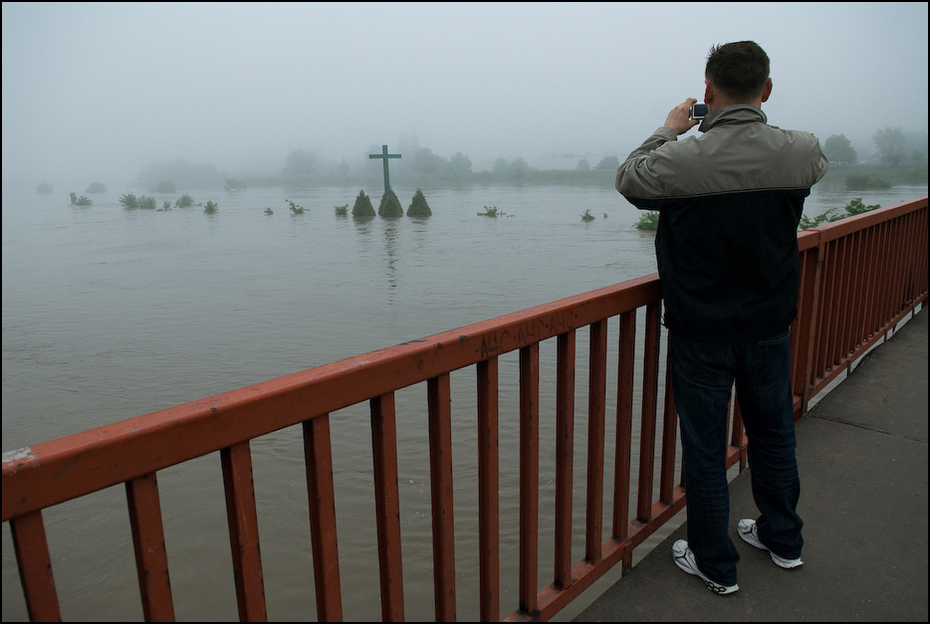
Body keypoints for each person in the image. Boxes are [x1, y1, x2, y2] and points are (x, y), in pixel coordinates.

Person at [615, 41, 828, 595]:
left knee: (707, 448)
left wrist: (670, 128)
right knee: (775, 433)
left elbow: (629, 178)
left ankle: (714, 562)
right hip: (768, 327)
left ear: (707, 90)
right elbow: (811, 171)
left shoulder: (680, 159)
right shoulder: (801, 150)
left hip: (700, 331)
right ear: (767, 89)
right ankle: (783, 540)